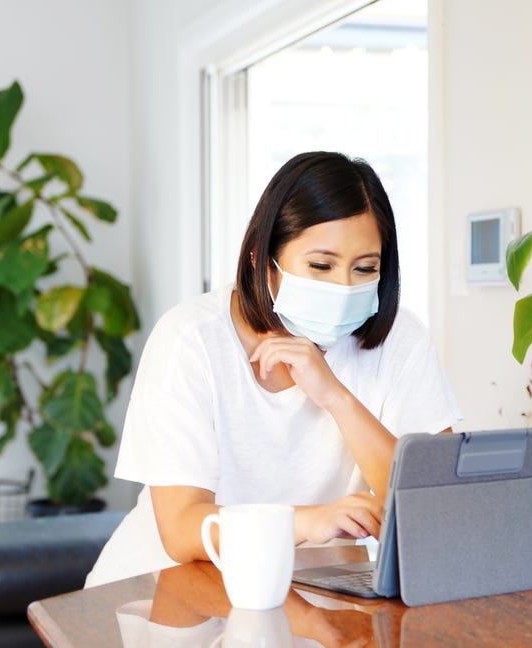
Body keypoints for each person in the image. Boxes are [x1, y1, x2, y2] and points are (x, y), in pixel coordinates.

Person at [83, 151, 461, 587]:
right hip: (166, 591)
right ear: (263, 260)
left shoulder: (399, 337)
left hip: (306, 590)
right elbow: (182, 528)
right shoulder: (191, 338)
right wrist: (307, 522)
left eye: (365, 268)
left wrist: (336, 398)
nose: (343, 287)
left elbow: (433, 502)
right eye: (321, 265)